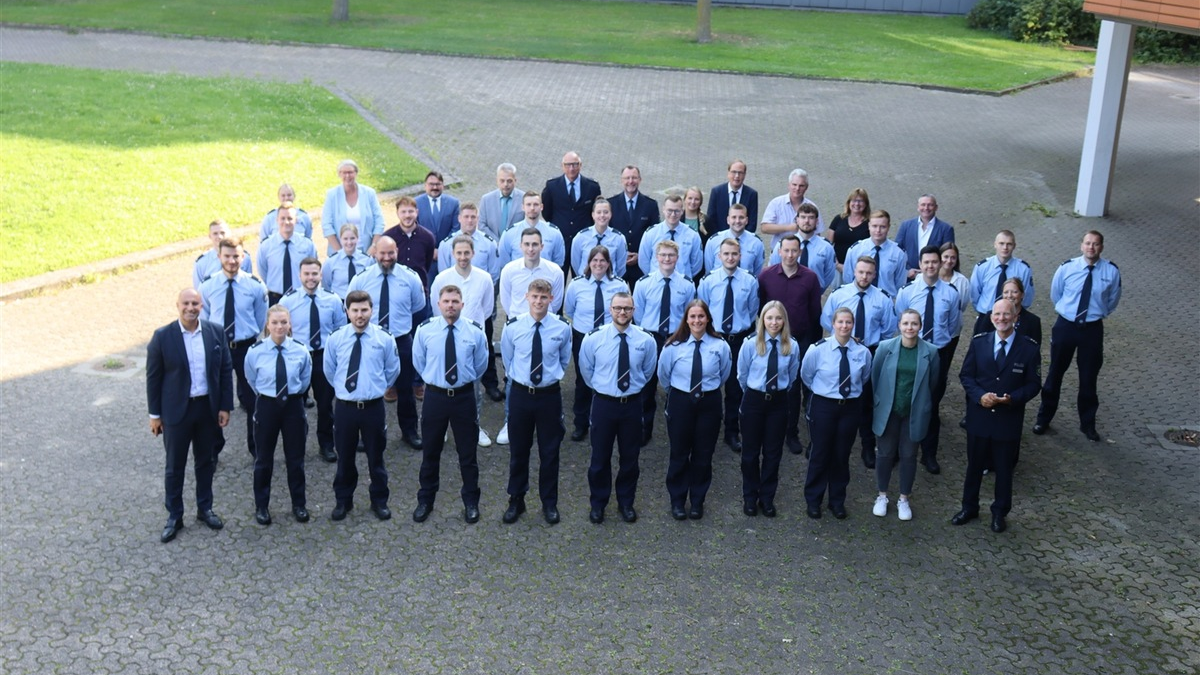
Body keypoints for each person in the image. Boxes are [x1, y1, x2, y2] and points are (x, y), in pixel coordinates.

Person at [147, 288, 233, 543]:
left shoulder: (215, 332)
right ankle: (174, 515)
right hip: (176, 412)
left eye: (195, 303)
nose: (190, 308)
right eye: (186, 303)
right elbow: (153, 378)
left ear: (201, 306)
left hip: (206, 409)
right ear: (177, 305)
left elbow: (225, 370)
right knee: (175, 467)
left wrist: (225, 406)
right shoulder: (162, 337)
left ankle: (204, 509)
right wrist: (154, 415)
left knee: (205, 463)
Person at [954, 299, 1041, 533]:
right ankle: (969, 507)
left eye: (1006, 314)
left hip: (1007, 420)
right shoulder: (979, 343)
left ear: (1016, 317)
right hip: (979, 419)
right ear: (991, 317)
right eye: (997, 314)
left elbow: (1034, 384)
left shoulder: (1029, 348)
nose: (1001, 318)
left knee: (1003, 470)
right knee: (974, 467)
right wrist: (980, 396)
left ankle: (999, 512)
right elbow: (966, 376)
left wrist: (1012, 398)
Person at [411, 285, 490, 524]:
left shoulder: (475, 332)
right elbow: (419, 361)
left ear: (462, 305)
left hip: (464, 398)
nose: (450, 305)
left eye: (455, 301)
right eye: (446, 301)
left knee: (467, 454)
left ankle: (471, 502)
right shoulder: (425, 331)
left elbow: (481, 365)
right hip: (435, 397)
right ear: (438, 304)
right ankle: (425, 500)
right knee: (430, 452)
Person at [580, 291, 658, 524]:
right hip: (604, 404)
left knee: (630, 458)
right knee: (600, 458)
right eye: (618, 308)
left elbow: (647, 371)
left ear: (634, 311)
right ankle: (598, 503)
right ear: (610, 310)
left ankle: (626, 502)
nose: (622, 312)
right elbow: (587, 371)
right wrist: (603, 388)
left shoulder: (646, 340)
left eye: (627, 309)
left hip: (632, 405)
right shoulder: (593, 338)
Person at [1034, 230, 1120, 442]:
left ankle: (1088, 424)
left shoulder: (1111, 272)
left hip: (1092, 329)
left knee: (1089, 378)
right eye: (1088, 243)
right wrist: (1068, 312)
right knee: (1055, 373)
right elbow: (1056, 294)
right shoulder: (1067, 268)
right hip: (1066, 326)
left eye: (1096, 244)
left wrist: (1097, 314)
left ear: (1101, 247)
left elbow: (1113, 300)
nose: (1091, 247)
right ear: (1081, 245)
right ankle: (1043, 419)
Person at [324, 290, 401, 522]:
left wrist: (374, 389)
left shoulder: (384, 339)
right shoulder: (336, 338)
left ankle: (379, 500)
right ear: (347, 312)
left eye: (364, 310)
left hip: (373, 408)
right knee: (345, 457)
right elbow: (330, 370)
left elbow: (392, 370)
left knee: (376, 458)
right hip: (346, 408)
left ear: (372, 310)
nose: (360, 315)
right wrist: (346, 391)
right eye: (355, 310)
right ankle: (343, 500)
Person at [500, 279, 573, 525]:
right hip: (521, 395)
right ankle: (516, 500)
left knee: (550, 452)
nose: (539, 302)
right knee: (519, 451)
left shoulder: (562, 328)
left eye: (544, 297)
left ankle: (549, 503)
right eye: (535, 297)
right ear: (527, 298)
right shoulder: (512, 327)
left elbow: (564, 361)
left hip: (548, 397)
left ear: (551, 299)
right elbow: (508, 361)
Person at [347, 235, 426, 449]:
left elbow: (418, 305)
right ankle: (367, 435)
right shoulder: (361, 279)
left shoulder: (410, 278)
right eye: (382, 253)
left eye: (391, 253)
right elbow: (351, 307)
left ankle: (409, 432)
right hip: (369, 339)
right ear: (375, 253)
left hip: (400, 340)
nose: (387, 257)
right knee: (367, 390)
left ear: (397, 253)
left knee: (406, 390)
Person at [658, 299, 732, 520]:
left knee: (703, 454)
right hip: (681, 400)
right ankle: (678, 501)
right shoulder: (673, 346)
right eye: (693, 316)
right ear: (686, 319)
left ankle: (698, 500)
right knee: (679, 453)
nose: (697, 320)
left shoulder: (720, 346)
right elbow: (664, 376)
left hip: (709, 403)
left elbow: (724, 373)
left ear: (708, 318)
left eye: (701, 316)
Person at [821, 256, 897, 468]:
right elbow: (826, 319)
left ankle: (867, 445)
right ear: (854, 271)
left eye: (869, 273)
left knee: (867, 399)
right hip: (841, 348)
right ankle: (825, 442)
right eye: (861, 272)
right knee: (834, 393)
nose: (864, 276)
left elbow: (889, 328)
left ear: (874, 275)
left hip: (870, 351)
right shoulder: (839, 294)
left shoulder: (882, 298)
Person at [893, 246, 963, 475]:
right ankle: (896, 449)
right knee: (903, 400)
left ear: (941, 263)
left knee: (931, 404)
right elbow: (900, 318)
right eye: (927, 262)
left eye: (935, 262)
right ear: (920, 264)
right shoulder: (907, 291)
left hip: (936, 353)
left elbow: (953, 326)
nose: (931, 266)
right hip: (911, 350)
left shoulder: (951, 293)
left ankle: (929, 453)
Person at [198, 237, 267, 458]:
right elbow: (205, 319)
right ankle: (213, 449)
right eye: (227, 256)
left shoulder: (254, 286)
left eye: (236, 256)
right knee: (213, 398)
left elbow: (260, 317)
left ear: (243, 257)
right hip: (218, 346)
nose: (231, 260)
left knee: (252, 398)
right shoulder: (207, 286)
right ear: (219, 257)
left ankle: (256, 448)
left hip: (245, 346)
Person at [243, 305, 313, 525]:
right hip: (267, 406)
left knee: (296, 460)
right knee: (263, 460)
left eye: (284, 322)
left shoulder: (301, 350)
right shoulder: (255, 352)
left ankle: (299, 504)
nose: (279, 326)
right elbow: (252, 379)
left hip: (293, 406)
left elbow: (304, 380)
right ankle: (261, 506)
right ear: (267, 325)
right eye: (275, 322)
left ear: (290, 324)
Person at [496, 228, 566, 444]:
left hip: (546, 327)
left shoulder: (555, 271)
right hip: (519, 328)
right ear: (520, 246)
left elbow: (557, 300)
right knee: (514, 373)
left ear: (542, 247)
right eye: (527, 244)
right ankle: (511, 420)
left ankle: (551, 418)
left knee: (547, 368)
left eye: (535, 244)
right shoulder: (509, 270)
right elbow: (506, 301)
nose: (531, 248)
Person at [801, 307, 872, 520]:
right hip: (824, 405)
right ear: (833, 324)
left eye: (848, 322)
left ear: (853, 325)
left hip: (849, 407)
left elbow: (864, 377)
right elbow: (807, 375)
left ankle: (837, 501)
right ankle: (813, 500)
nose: (844, 326)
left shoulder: (863, 352)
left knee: (841, 455)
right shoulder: (817, 350)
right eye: (840, 322)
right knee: (820, 453)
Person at [757, 235, 824, 455]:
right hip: (771, 338)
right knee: (770, 382)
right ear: (779, 251)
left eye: (794, 251)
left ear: (800, 252)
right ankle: (768, 426)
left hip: (799, 338)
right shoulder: (766, 276)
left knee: (794, 387)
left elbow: (815, 311)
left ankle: (791, 432)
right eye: (786, 250)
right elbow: (761, 308)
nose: (790, 255)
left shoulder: (810, 277)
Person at [870, 309, 939, 521]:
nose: (910, 328)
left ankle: (903, 498)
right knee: (884, 453)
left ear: (920, 326)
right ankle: (882, 495)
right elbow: (875, 376)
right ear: (899, 325)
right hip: (888, 411)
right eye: (906, 323)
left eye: (914, 324)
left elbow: (934, 383)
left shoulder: (931, 352)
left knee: (909, 456)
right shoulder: (884, 348)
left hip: (914, 412)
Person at [431, 234, 498, 447]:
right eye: (458, 253)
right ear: (452, 254)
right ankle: (441, 428)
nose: (463, 257)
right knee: (442, 387)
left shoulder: (484, 278)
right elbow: (436, 308)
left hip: (472, 339)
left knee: (473, 388)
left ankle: (473, 426)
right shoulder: (442, 279)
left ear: (473, 253)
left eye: (466, 253)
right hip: (447, 337)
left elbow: (487, 309)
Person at [736, 301, 800, 518]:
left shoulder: (792, 346)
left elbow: (792, 377)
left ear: (784, 321)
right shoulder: (750, 344)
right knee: (750, 453)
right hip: (754, 400)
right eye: (770, 318)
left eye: (778, 318)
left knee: (773, 454)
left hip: (779, 403)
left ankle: (767, 498)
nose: (774, 322)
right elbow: (742, 375)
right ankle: (750, 497)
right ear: (762, 319)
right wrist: (754, 393)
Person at [280, 257, 346, 463]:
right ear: (300, 276)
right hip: (297, 357)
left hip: (322, 357)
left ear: (320, 275)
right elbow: (280, 331)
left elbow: (339, 330)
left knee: (325, 404)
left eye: (314, 274)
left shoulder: (333, 300)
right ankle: (296, 445)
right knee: (294, 406)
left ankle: (326, 444)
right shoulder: (287, 301)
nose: (310, 278)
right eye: (306, 274)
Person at [697, 237, 759, 452]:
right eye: (726, 254)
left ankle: (732, 432)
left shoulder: (750, 282)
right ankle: (707, 430)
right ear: (719, 256)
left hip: (737, 340)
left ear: (740, 256)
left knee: (735, 388)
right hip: (714, 337)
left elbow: (752, 312)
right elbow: (702, 310)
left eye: (734, 254)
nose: (730, 257)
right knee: (710, 384)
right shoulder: (708, 281)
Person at [436, 205, 503, 404]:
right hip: (452, 310)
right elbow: (443, 279)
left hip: (478, 311)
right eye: (466, 217)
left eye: (473, 217)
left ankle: (490, 383)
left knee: (486, 348)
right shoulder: (447, 243)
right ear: (459, 218)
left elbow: (493, 274)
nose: (470, 220)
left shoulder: (489, 243)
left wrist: (481, 313)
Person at [632, 239, 696, 446]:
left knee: (675, 384)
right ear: (656, 258)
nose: (667, 259)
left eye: (671, 255)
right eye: (663, 255)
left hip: (676, 338)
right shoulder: (644, 283)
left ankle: (675, 427)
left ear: (677, 259)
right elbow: (639, 314)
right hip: (651, 336)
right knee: (647, 385)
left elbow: (689, 314)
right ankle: (643, 428)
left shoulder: (687, 285)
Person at [563, 245, 630, 441]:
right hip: (583, 338)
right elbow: (570, 310)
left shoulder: (619, 285)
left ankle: (604, 421)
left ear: (609, 264)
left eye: (602, 261)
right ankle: (581, 423)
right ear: (589, 263)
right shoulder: (576, 285)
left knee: (607, 377)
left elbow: (624, 311)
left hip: (610, 338)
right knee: (583, 380)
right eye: (595, 260)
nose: (598, 264)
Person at [541, 151, 602, 266]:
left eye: (575, 164)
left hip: (584, 241)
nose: (571, 168)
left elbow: (595, 212)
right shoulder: (552, 186)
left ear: (580, 165)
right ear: (562, 166)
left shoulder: (592, 187)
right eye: (568, 165)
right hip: (560, 240)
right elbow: (546, 211)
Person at [968, 230, 1036, 334]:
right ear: (995, 244)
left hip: (1011, 319)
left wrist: (1014, 313)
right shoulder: (982, 267)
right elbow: (974, 295)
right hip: (986, 317)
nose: (1005, 247)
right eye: (1001, 243)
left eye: (1009, 244)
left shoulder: (1023, 269)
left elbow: (1027, 297)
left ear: (1014, 246)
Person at [607, 165, 659, 284]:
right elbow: (608, 234)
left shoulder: (650, 205)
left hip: (641, 266)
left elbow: (655, 236)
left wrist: (640, 256)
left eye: (634, 178)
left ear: (640, 180)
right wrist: (621, 255)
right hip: (618, 265)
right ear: (621, 180)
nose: (631, 181)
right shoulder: (611, 204)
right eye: (627, 178)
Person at [258, 202, 318, 305]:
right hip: (275, 298)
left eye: (290, 218)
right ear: (277, 220)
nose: (286, 222)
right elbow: (263, 270)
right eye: (283, 218)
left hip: (300, 297)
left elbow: (314, 268)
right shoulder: (266, 246)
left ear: (296, 220)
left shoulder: (307, 245)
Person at [321, 159, 385, 255]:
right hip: (339, 251)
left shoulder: (369, 193)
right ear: (339, 174)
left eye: (350, 172)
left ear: (356, 173)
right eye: (344, 173)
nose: (347, 176)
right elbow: (327, 225)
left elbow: (379, 221)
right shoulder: (332, 195)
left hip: (367, 250)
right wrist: (340, 252)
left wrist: (373, 247)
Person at [767, 204, 836, 291]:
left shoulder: (826, 247)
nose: (807, 221)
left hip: (813, 294)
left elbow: (829, 274)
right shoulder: (783, 244)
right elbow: (774, 269)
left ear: (817, 221)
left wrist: (817, 291)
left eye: (811, 218)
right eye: (803, 217)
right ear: (797, 220)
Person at [637, 194, 703, 280]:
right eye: (669, 211)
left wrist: (683, 277)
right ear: (663, 210)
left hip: (682, 284)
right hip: (656, 283)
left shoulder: (692, 235)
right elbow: (643, 261)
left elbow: (697, 264)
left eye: (677, 211)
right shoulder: (651, 233)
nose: (673, 215)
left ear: (682, 211)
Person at [842, 210, 907, 296]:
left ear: (888, 227)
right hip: (859, 299)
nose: (878, 230)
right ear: (869, 226)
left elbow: (900, 283)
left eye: (882, 227)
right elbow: (848, 278)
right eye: (874, 226)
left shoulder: (898, 253)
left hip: (886, 301)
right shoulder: (855, 250)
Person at [381, 195, 437, 292]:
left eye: (411, 211)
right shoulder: (388, 237)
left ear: (417, 212)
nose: (407, 215)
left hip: (420, 289)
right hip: (395, 290)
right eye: (403, 212)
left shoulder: (428, 237)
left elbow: (427, 264)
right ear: (397, 213)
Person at [759, 168, 824, 250]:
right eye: (794, 184)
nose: (797, 188)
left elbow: (817, 233)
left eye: (801, 186)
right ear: (789, 185)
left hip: (804, 254)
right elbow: (764, 228)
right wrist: (788, 228)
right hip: (780, 254)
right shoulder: (776, 203)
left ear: (806, 187)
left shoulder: (812, 207)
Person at [497, 191, 567, 268]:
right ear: (523, 207)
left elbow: (558, 263)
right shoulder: (510, 233)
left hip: (545, 278)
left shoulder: (554, 233)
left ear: (542, 207)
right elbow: (504, 264)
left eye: (536, 204)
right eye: (528, 204)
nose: (532, 208)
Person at [895, 194, 955, 280]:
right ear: (918, 207)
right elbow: (897, 251)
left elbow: (948, 255)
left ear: (936, 207)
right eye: (923, 205)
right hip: (909, 277)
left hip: (934, 277)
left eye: (930, 205)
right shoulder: (906, 226)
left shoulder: (946, 229)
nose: (926, 208)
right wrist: (906, 271)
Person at [572, 198, 629, 280]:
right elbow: (575, 263)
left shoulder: (619, 238)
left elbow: (621, 267)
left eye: (606, 212)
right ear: (593, 215)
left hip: (609, 283)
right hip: (586, 282)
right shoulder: (580, 237)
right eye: (598, 212)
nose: (602, 215)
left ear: (611, 214)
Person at [704, 203, 764, 276]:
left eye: (741, 217)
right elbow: (709, 269)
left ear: (747, 220)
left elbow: (757, 271)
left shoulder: (756, 243)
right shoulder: (714, 241)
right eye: (734, 217)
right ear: (728, 220)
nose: (737, 221)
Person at [193, 219, 252, 289]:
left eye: (222, 233)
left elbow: (248, 283)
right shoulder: (202, 262)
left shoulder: (245, 258)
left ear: (229, 233)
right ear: (209, 236)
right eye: (215, 233)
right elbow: (198, 290)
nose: (219, 236)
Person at [706, 159, 759, 235]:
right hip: (720, 239)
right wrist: (720, 238)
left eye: (740, 173)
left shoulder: (751, 194)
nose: (737, 176)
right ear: (728, 173)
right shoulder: (717, 192)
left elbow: (752, 223)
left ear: (744, 175)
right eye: (734, 172)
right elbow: (711, 219)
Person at [825, 188, 871, 275]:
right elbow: (828, 246)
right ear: (849, 202)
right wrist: (837, 265)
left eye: (860, 201)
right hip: (837, 268)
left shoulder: (869, 223)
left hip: (860, 271)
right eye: (854, 200)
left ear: (866, 204)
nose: (857, 204)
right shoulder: (838, 219)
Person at [322, 224, 373, 301]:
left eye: (352, 238)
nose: (349, 242)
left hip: (361, 302)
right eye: (345, 239)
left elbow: (371, 282)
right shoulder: (331, 261)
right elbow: (326, 284)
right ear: (340, 239)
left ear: (357, 238)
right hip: (339, 301)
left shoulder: (367, 260)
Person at [477, 162, 526, 240]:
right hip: (492, 246)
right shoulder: (486, 200)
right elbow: (482, 225)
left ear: (515, 181)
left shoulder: (524, 199)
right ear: (497, 181)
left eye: (509, 181)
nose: (505, 184)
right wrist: (496, 242)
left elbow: (527, 224)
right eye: (502, 181)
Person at [415, 170, 460, 250]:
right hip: (423, 251)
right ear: (425, 185)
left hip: (448, 250)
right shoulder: (416, 203)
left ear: (443, 185)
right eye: (431, 184)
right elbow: (414, 228)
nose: (435, 187)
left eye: (438, 184)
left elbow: (456, 229)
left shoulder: (453, 203)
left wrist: (444, 248)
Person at [1003, 278, 1042, 347]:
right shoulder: (989, 317)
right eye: (1006, 292)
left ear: (1022, 294)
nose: (1009, 295)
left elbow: (1034, 349)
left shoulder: (1033, 321)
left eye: (1014, 292)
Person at [939, 241, 972, 313]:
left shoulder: (963, 281)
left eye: (953, 258)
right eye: (946, 257)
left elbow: (962, 307)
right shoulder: (931, 278)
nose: (949, 261)